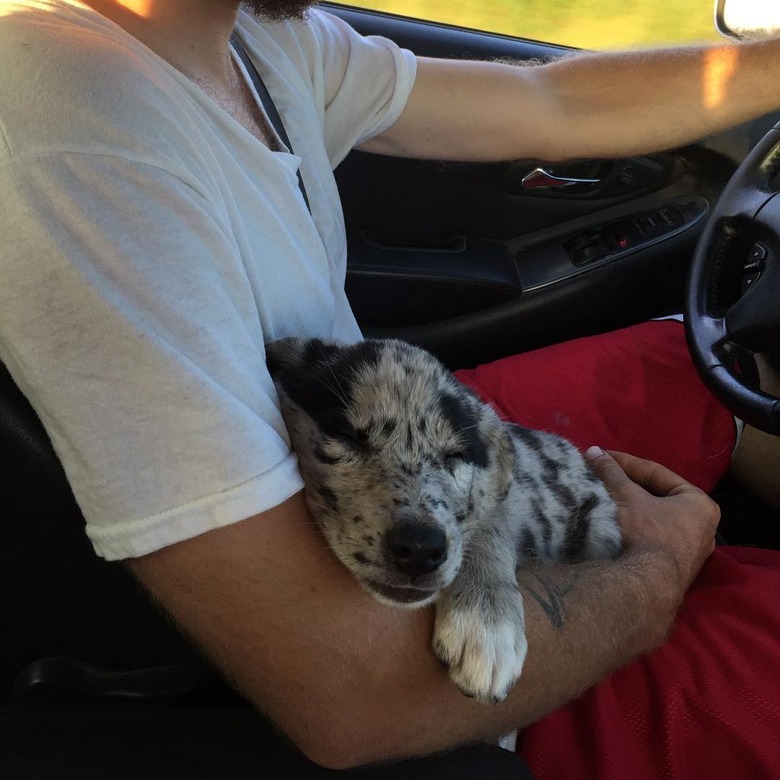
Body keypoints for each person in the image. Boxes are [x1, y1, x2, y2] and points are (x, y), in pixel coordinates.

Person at [1, 0, 780, 775]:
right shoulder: (77, 131)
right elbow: (355, 693)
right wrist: (657, 576)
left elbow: (552, 100)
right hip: (415, 667)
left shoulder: (258, 40)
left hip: (379, 436)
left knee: (698, 367)